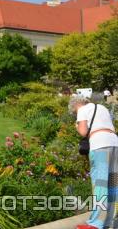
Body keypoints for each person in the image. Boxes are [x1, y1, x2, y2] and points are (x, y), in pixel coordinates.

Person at [70, 94, 118, 229]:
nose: (75, 113)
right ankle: (109, 221)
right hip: (114, 143)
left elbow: (83, 131)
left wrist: (77, 126)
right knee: (113, 183)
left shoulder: (82, 109)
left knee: (100, 184)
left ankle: (96, 224)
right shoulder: (102, 107)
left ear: (76, 105)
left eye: (74, 112)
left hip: (100, 145)